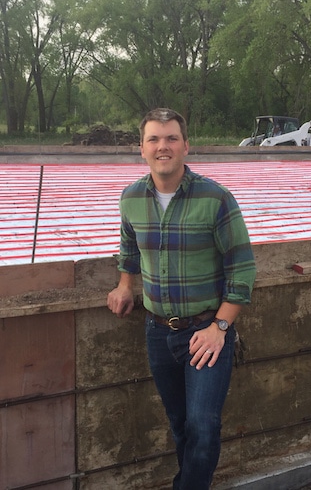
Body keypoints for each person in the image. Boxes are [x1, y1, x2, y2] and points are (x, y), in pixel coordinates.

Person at [107, 108, 256, 490]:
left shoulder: (216, 198)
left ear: (186, 146)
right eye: (154, 139)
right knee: (180, 424)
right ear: (140, 149)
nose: (163, 146)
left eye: (171, 138)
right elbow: (129, 249)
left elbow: (242, 269)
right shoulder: (131, 199)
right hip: (158, 333)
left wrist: (221, 326)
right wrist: (126, 284)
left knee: (203, 426)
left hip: (207, 330)